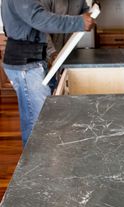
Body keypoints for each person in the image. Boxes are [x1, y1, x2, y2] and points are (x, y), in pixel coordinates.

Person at [1, 0, 95, 147]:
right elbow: (40, 19)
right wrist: (78, 22)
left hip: (31, 62)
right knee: (38, 126)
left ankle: (37, 165)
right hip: (26, 65)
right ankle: (36, 168)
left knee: (35, 120)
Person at [40, 0, 91, 91]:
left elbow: (85, 11)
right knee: (47, 90)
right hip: (47, 54)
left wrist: (89, 18)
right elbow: (42, 28)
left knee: (64, 87)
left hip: (68, 51)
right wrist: (51, 52)